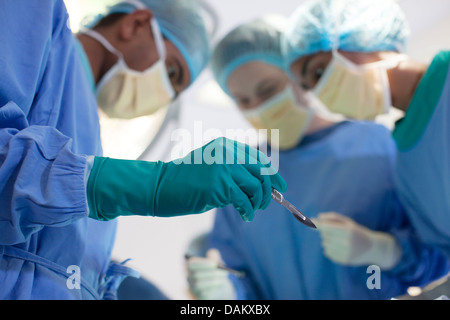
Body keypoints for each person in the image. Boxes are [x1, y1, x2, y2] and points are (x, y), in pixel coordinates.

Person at [0, 0, 286, 300]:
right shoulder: (33, 12)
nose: (163, 95)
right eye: (172, 72)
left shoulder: (88, 134)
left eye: (175, 92)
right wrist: (151, 184)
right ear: (135, 24)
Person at [186, 15, 450, 300]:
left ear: (300, 80)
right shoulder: (240, 177)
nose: (258, 108)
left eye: (268, 90)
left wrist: (384, 251)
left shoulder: (378, 145)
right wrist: (228, 292)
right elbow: (239, 277)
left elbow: (436, 256)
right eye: (243, 101)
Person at [282, 0, 450, 258]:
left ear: (362, 35)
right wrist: (381, 251)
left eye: (318, 71)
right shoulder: (407, 161)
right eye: (310, 87)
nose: (322, 93)